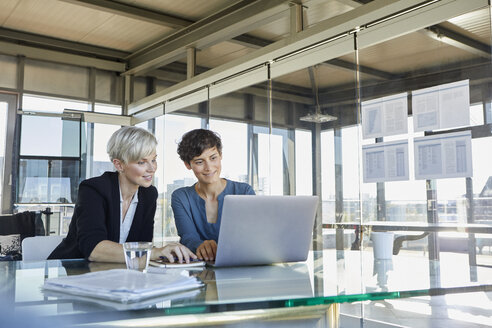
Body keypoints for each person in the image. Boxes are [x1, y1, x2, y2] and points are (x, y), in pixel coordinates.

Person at [49, 126, 196, 263]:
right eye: (141, 162)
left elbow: (142, 245)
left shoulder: (149, 194)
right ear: (119, 165)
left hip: (114, 274)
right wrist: (155, 252)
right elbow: (94, 249)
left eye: (153, 159)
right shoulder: (93, 189)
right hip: (70, 272)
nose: (152, 168)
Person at [172, 129, 255, 261]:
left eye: (213, 158)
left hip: (240, 264)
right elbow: (188, 237)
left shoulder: (244, 192)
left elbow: (251, 236)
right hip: (199, 270)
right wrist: (200, 245)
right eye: (199, 162)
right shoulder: (181, 197)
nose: (209, 167)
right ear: (188, 165)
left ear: (220, 155)